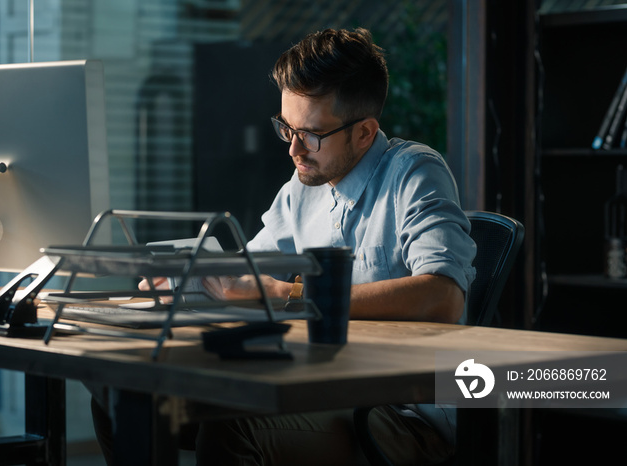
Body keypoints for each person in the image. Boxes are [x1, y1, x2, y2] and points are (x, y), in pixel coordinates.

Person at [97, 27, 476, 465]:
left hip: (407, 412)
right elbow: (248, 273)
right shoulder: (304, 184)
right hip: (326, 389)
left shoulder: (414, 173)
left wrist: (287, 294)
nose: (294, 149)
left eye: (311, 134)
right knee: (124, 405)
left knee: (235, 431)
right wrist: (191, 280)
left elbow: (443, 297)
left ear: (365, 133)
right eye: (286, 128)